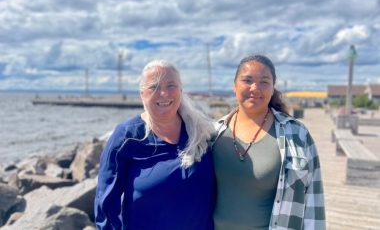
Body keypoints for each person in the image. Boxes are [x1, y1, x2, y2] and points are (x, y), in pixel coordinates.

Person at [95, 60, 215, 230]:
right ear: (142, 93)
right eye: (154, 86)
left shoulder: (201, 132)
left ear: (181, 91)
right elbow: (106, 204)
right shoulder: (127, 137)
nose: (163, 93)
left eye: (170, 85)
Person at [212, 55, 325, 230]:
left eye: (264, 82)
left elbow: (314, 200)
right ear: (234, 86)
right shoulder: (213, 134)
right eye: (247, 80)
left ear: (273, 89)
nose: (255, 88)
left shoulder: (297, 134)